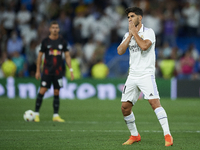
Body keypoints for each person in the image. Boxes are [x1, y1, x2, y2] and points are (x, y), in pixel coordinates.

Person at [117, 7, 173, 146]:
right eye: (128, 17)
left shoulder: (149, 32)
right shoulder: (127, 35)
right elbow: (120, 51)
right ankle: (135, 135)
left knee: (154, 103)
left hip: (146, 74)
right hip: (132, 75)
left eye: (132, 16)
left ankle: (168, 136)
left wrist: (135, 33)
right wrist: (130, 35)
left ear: (140, 18)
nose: (129, 19)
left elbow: (144, 46)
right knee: (125, 107)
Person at [34, 21, 74, 122]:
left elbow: (67, 56)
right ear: (50, 29)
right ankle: (36, 114)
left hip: (58, 72)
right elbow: (39, 56)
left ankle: (55, 116)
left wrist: (71, 69)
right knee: (42, 90)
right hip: (47, 71)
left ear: (59, 29)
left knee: (57, 92)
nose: (55, 29)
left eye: (56, 27)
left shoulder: (62, 41)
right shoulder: (45, 42)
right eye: (53, 28)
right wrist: (38, 70)